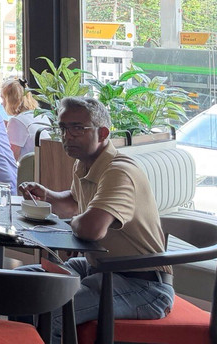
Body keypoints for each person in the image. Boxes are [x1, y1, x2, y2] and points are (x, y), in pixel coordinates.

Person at [17, 96, 173, 343]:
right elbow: (73, 202)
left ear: (103, 133)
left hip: (143, 284)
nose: (67, 136)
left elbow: (92, 228)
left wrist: (74, 222)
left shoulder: (118, 171)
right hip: (99, 268)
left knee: (52, 310)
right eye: (63, 128)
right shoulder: (84, 164)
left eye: (78, 128)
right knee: (20, 283)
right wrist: (47, 196)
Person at [0, 77, 50, 160]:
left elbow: (12, 158)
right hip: (44, 164)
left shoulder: (16, 121)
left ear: (10, 100)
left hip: (29, 167)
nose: (2, 103)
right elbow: (25, 128)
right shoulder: (40, 113)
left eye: (3, 98)